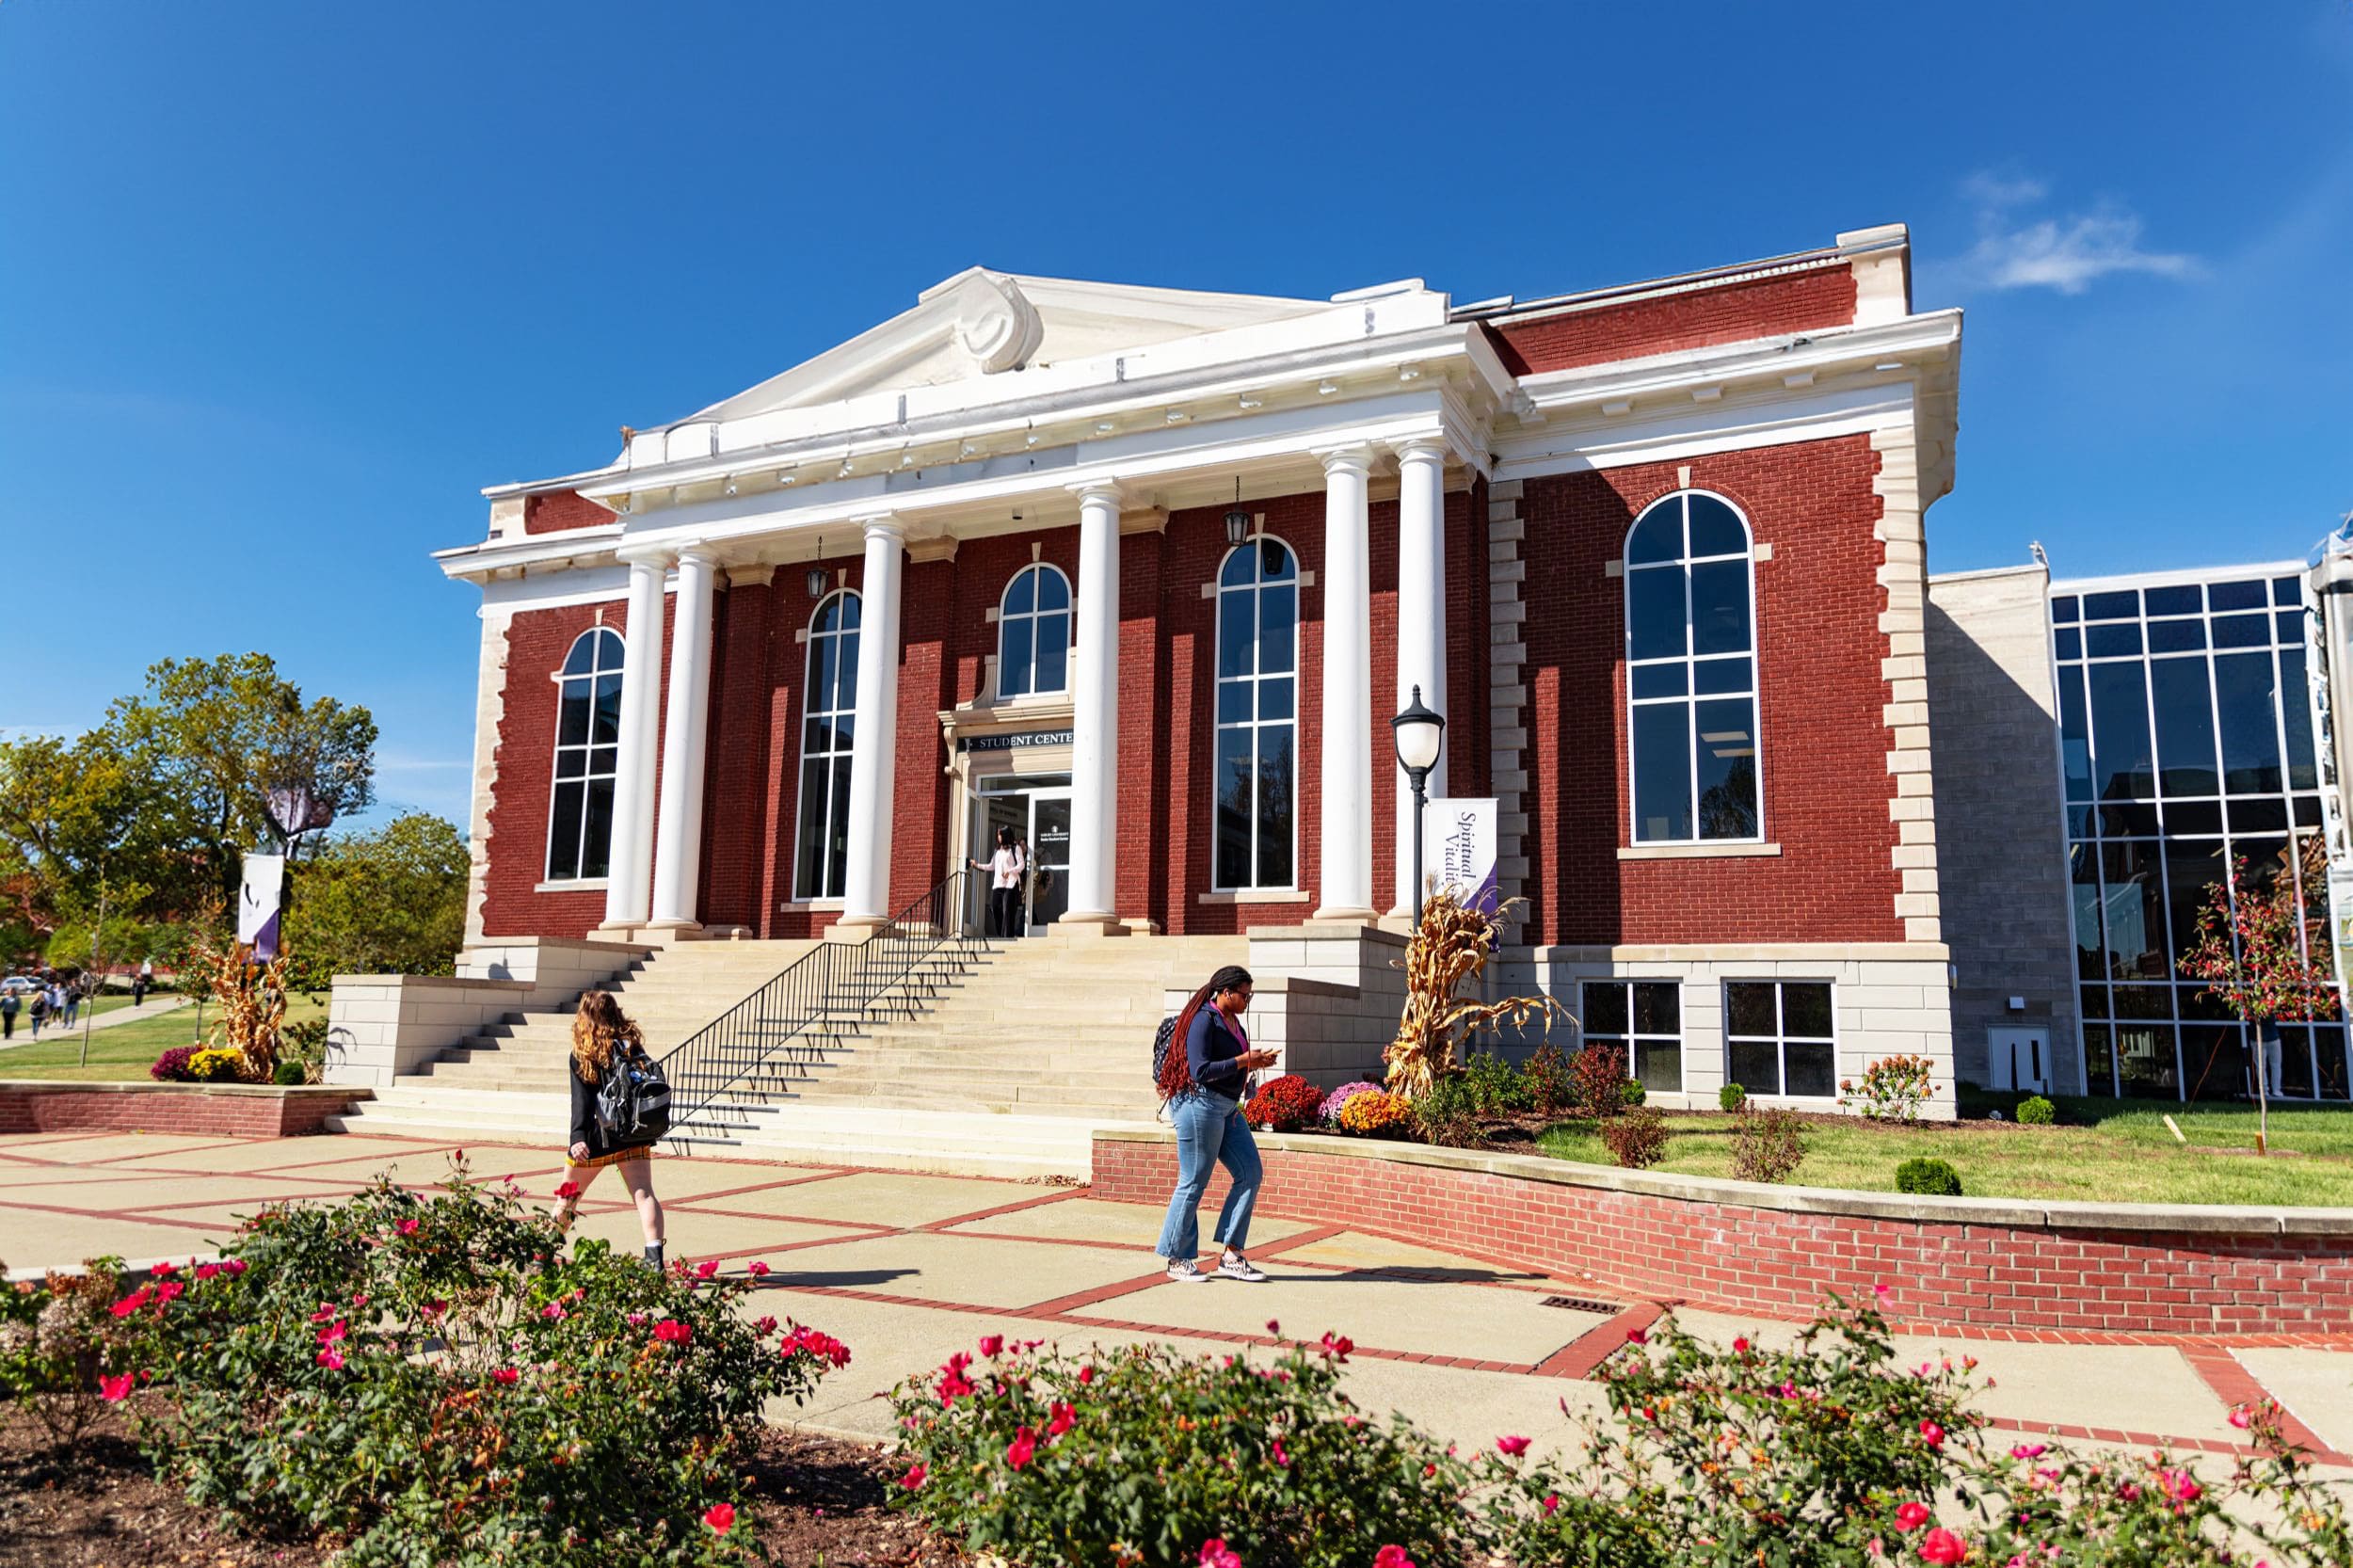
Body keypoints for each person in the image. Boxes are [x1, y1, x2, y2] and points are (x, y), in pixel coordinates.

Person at [1153, 964, 1279, 1284]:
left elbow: (1234, 1066)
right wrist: (1244, 1060)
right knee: (1193, 1180)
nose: (1247, 1001)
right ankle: (1177, 1258)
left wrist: (1254, 1065)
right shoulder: (1202, 1021)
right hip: (1198, 1104)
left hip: (1226, 1108)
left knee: (1250, 1172)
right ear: (1225, 993)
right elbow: (1200, 1070)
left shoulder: (1234, 1024)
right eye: (1244, 995)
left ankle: (1232, 1255)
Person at [549, 990, 668, 1268]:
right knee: (644, 1194)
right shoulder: (631, 1046)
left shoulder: (583, 1052)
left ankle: (542, 1256)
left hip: (596, 1139)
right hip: (633, 1133)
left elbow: (581, 1101)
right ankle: (654, 1259)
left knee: (568, 1198)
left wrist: (577, 1137)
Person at [968, 825, 1025, 939]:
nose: (998, 837)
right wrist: (976, 865)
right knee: (994, 907)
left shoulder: (1015, 848)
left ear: (1005, 835)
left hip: (1011, 884)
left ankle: (1007, 937)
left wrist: (1010, 871)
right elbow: (991, 866)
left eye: (1000, 834)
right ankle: (1001, 934)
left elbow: (1021, 865)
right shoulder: (997, 851)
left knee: (1008, 912)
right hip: (998, 884)